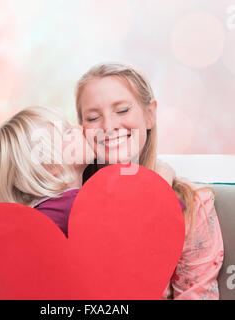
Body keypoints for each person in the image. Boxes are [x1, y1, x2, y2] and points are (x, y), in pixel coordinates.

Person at [75, 62, 224, 300]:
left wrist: (158, 190)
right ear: (81, 129)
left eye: (122, 110)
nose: (109, 126)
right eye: (93, 117)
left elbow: (196, 294)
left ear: (150, 115)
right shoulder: (70, 203)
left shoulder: (192, 204)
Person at [0, 105, 176, 239]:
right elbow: (142, 223)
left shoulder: (44, 212)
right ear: (52, 167)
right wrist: (163, 177)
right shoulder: (73, 206)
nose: (80, 128)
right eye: (67, 131)